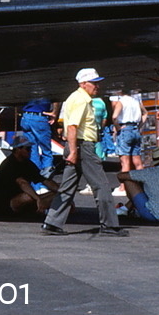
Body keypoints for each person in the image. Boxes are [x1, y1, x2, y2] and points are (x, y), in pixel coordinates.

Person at [42, 68, 125, 237]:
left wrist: (71, 150)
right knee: (101, 185)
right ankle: (109, 224)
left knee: (67, 186)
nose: (97, 86)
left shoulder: (76, 98)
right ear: (83, 84)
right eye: (94, 83)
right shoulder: (81, 100)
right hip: (83, 146)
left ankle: (52, 222)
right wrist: (73, 151)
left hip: (77, 146)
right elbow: (73, 126)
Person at [116, 145, 159, 224]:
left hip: (154, 215)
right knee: (149, 185)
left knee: (129, 181)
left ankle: (126, 209)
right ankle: (125, 208)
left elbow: (120, 176)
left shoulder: (149, 172)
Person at [0, 133, 58, 218]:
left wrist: (61, 191)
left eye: (30, 149)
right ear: (18, 149)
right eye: (27, 149)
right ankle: (40, 207)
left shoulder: (28, 164)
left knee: (58, 194)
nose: (30, 151)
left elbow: (43, 180)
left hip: (20, 199)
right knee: (28, 196)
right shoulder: (9, 164)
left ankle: (39, 208)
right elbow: (22, 182)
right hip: (6, 205)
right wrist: (38, 198)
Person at [108, 89, 144, 197]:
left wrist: (118, 127)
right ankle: (142, 186)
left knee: (125, 162)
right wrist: (139, 126)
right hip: (135, 129)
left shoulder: (121, 101)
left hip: (125, 129)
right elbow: (144, 114)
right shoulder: (135, 101)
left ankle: (124, 187)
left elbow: (114, 116)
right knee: (137, 161)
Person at [20, 97, 57, 177]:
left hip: (26, 116)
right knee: (46, 151)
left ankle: (36, 183)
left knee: (32, 151)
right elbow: (56, 99)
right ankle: (45, 180)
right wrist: (54, 112)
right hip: (40, 117)